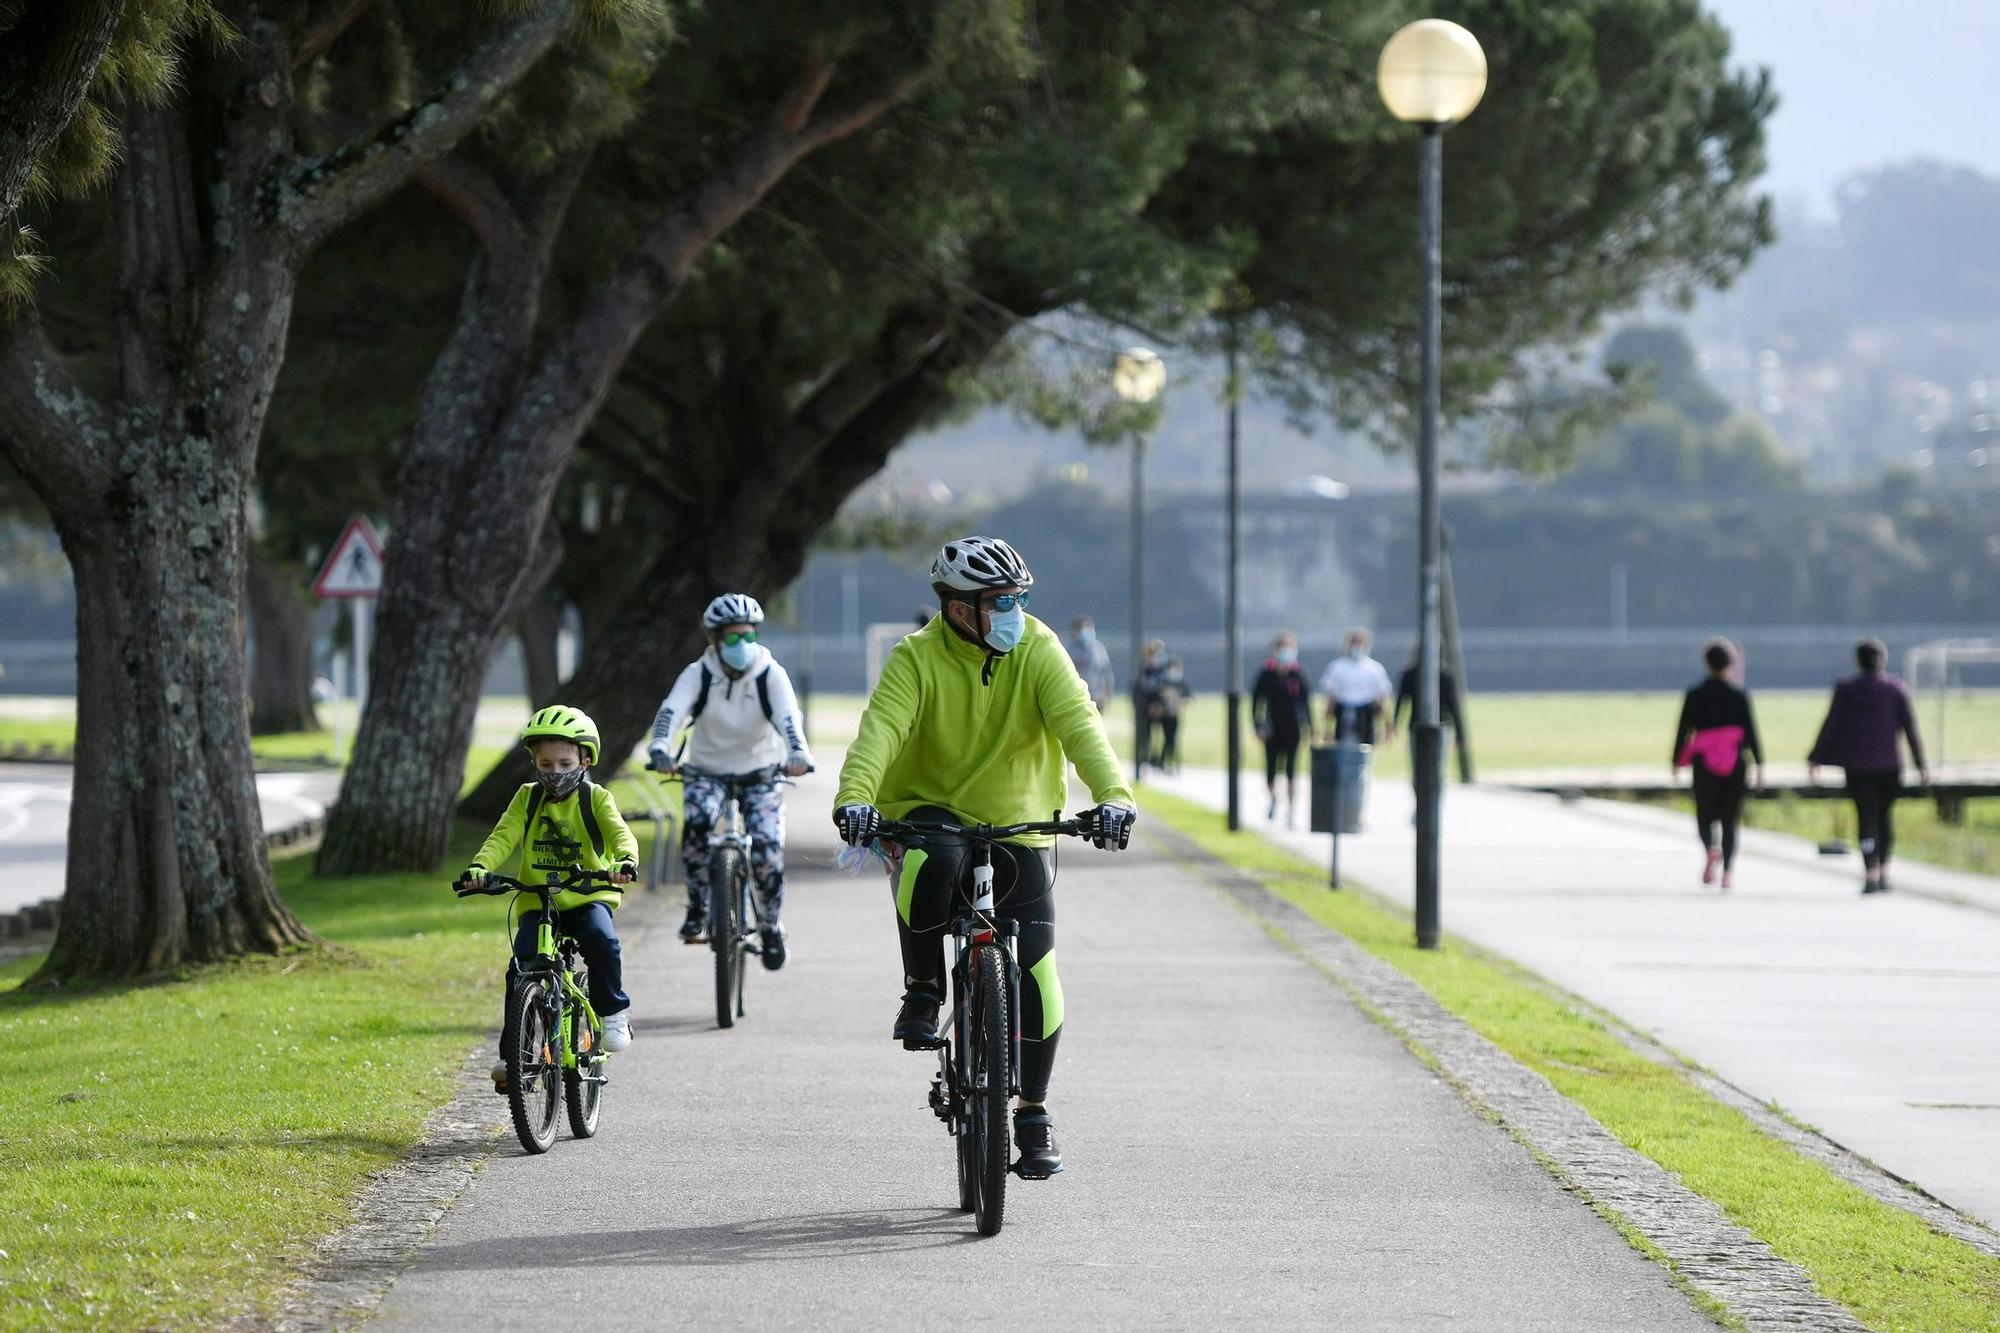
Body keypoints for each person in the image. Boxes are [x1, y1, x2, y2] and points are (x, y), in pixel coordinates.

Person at [833, 535, 1137, 1178]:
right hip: (929, 810)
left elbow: (1080, 723)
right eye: (998, 601)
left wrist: (1113, 796)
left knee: (1039, 971)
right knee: (931, 860)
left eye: (1018, 599)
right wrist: (855, 799)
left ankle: (1033, 1112)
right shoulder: (914, 659)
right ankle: (922, 989)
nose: (1012, 612)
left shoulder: (1039, 646)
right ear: (957, 607)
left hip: (1018, 825)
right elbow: (880, 731)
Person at [461, 706, 639, 1092]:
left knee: (602, 941)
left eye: (565, 762)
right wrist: (480, 867)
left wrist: (624, 861)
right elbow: (502, 837)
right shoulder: (526, 799)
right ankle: (516, 1056)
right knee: (521, 969)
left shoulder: (596, 798)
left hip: (587, 895)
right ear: (534, 762)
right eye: (545, 763)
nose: (554, 771)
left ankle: (612, 1012)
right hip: (538, 901)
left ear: (585, 760)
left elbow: (620, 835)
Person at [648, 593, 814, 966]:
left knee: (767, 847)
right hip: (706, 771)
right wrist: (660, 746)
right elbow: (671, 712)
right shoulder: (698, 673)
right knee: (697, 824)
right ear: (716, 641)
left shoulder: (770, 673)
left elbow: (789, 718)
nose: (743, 646)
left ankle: (770, 924)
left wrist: (798, 752)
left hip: (761, 772)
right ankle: (698, 906)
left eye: (749, 637)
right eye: (733, 638)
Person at [1808, 637, 1929, 894]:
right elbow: (1910, 728)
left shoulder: (1846, 690)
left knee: (1866, 818)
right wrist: (1920, 764)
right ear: (1881, 660)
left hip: (1857, 766)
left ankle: (1870, 870)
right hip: (1889, 765)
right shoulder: (1896, 689)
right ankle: (1884, 869)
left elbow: (1832, 724)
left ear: (1857, 661)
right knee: (1885, 818)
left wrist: (1815, 757)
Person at [1672, 638, 1765, 890]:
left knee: (1705, 814)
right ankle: (1727, 874)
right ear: (1730, 663)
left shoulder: (1694, 694)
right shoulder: (1740, 694)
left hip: (1704, 763)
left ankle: (1711, 848)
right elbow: (1751, 732)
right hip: (1735, 762)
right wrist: (1760, 765)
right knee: (1730, 819)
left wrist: (1676, 761)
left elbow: (1684, 730)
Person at [1252, 631, 1313, 825]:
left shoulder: (1298, 674)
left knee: (1291, 771)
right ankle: (1273, 798)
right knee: (1271, 769)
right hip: (1271, 729)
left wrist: (1310, 727)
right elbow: (1256, 703)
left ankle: (1291, 811)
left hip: (1293, 728)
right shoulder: (1266, 674)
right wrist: (1258, 726)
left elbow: (1306, 703)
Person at [1318, 627, 1394, 744]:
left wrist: (1388, 724)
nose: (1357, 648)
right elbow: (1330, 698)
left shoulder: (1374, 668)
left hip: (1366, 715)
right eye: (1354, 644)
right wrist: (1327, 725)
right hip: (1343, 714)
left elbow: (1383, 697)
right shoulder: (1337, 667)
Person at [1065, 616, 1115, 711]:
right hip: (1076, 697)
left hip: (1096, 698)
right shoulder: (1070, 650)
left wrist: (1106, 695)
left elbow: (1107, 674)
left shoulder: (1099, 649)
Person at [1154, 656, 1192, 773]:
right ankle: (1163, 761)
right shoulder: (1164, 682)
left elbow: (1188, 698)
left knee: (1173, 739)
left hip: (1175, 715)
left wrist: (1180, 703)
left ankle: (1173, 762)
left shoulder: (1181, 684)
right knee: (1166, 739)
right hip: (1165, 716)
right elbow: (1157, 697)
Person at [1135, 639, 1168, 771]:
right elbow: (1138, 690)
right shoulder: (1143, 671)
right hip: (1145, 708)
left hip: (1160, 708)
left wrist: (1160, 705)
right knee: (1145, 735)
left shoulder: (1163, 671)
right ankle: (1144, 759)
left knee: (1161, 735)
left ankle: (1159, 759)